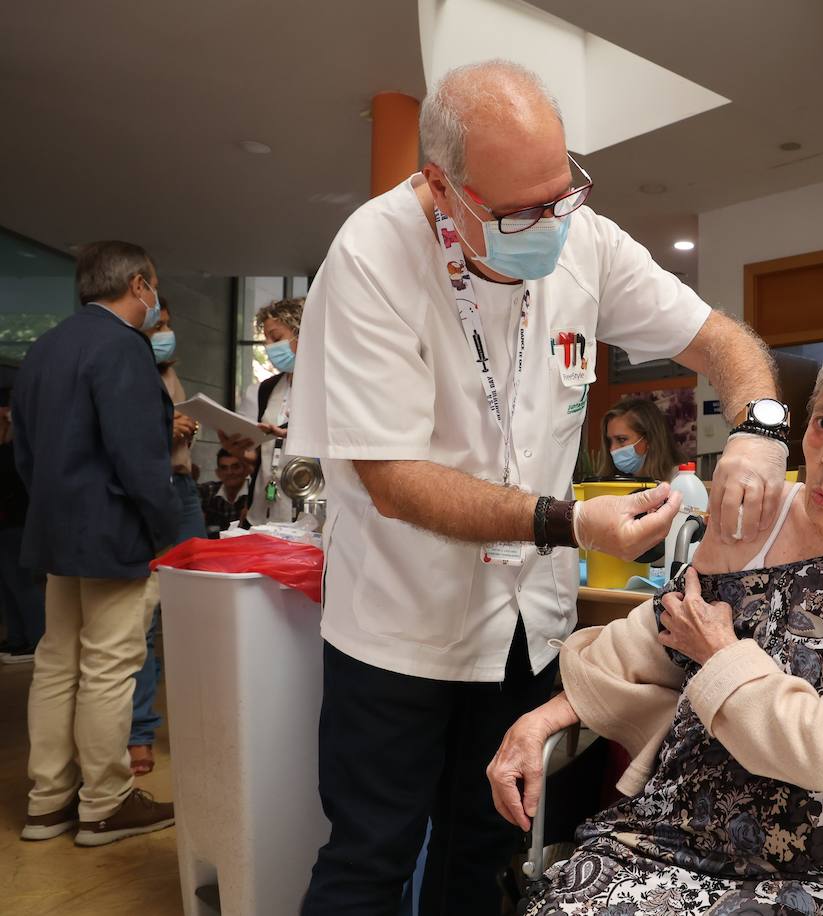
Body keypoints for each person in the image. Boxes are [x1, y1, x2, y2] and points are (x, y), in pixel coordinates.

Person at [290, 59, 790, 914]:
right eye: (522, 210)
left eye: (565, 193)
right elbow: (393, 480)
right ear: (442, 187)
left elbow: (722, 344)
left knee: (487, 855)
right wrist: (570, 524)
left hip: (527, 629)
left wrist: (760, 429)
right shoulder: (373, 256)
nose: (552, 223)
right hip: (400, 627)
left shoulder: (583, 243)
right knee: (371, 859)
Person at [490, 333, 823, 916]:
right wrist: (541, 719)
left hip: (816, 870)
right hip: (663, 836)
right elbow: (656, 634)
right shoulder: (756, 517)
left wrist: (721, 654)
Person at [13, 240, 178, 846]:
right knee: (110, 667)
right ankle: (105, 803)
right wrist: (167, 535)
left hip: (55, 532)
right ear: (138, 284)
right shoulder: (123, 349)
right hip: (115, 533)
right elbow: (140, 459)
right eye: (153, 284)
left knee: (57, 664)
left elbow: (24, 454)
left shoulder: (46, 346)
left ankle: (47, 801)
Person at [129, 296, 206, 776]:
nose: (164, 333)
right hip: (151, 496)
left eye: (169, 325)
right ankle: (140, 732)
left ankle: (201, 722)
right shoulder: (124, 370)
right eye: (158, 325)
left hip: (185, 491)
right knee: (146, 619)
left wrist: (184, 429)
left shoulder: (168, 373)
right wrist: (163, 424)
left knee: (198, 613)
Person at [218, 297, 307, 527]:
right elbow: (260, 457)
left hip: (308, 508)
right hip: (264, 508)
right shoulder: (266, 389)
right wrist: (237, 451)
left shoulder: (325, 386)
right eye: (265, 339)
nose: (268, 346)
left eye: (276, 338)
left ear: (302, 333)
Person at [0, 396, 44, 663]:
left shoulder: (18, 450)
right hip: (8, 525)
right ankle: (17, 637)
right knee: (7, 585)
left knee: (20, 583)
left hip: (17, 524)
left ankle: (37, 637)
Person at [596, 396, 687, 480]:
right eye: (609, 441)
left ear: (649, 439)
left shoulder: (680, 480)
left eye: (621, 439)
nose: (612, 449)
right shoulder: (612, 483)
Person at [200, 448, 252, 537]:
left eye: (235, 467)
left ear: (246, 470)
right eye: (224, 468)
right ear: (218, 473)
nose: (230, 472)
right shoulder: (207, 491)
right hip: (213, 548)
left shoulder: (254, 495)